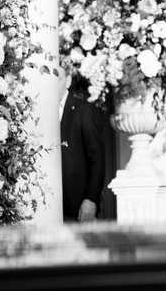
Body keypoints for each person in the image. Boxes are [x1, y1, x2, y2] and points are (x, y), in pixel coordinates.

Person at [58, 58, 105, 222]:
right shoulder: (39, 111)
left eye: (58, 79)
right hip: (47, 210)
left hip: (77, 209)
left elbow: (97, 159)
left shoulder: (84, 111)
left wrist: (91, 199)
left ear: (68, 81)